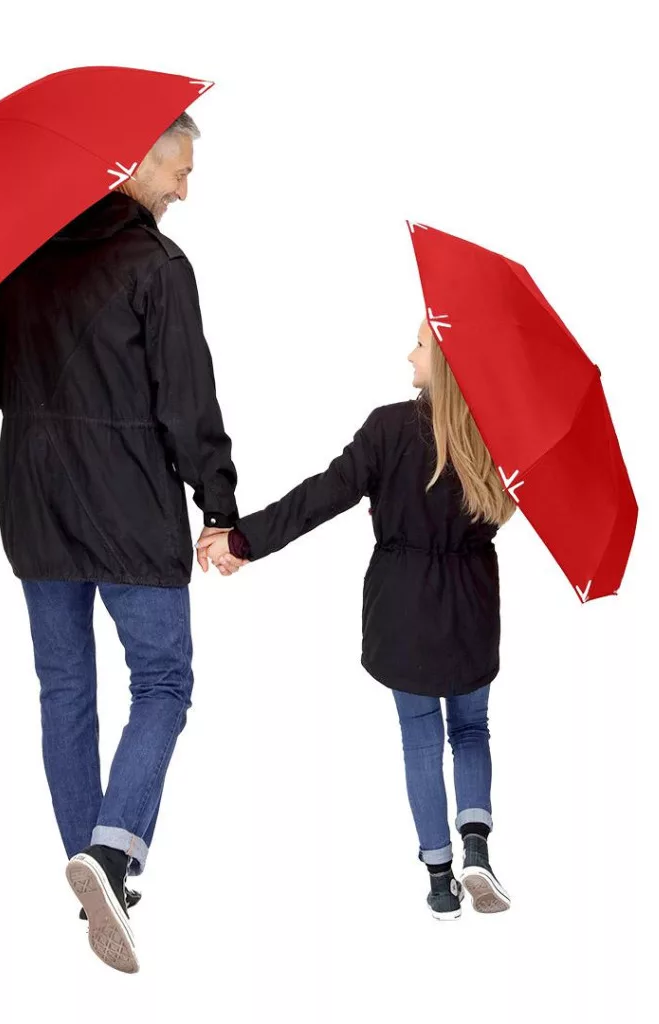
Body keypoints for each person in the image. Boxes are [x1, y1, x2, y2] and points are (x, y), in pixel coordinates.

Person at [0, 111, 238, 972]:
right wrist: (219, 505)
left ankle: (98, 878)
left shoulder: (21, 255)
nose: (185, 191)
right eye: (179, 171)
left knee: (65, 693)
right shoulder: (158, 267)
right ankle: (113, 856)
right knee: (163, 682)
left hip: (35, 503)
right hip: (129, 507)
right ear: (135, 164)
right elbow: (189, 406)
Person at [199, 317, 516, 921]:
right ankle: (476, 843)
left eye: (420, 345)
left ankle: (441, 881)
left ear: (446, 362)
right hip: (472, 606)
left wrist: (242, 540)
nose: (409, 355)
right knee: (471, 729)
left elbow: (320, 497)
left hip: (403, 611)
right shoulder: (496, 440)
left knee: (421, 736)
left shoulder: (389, 430)